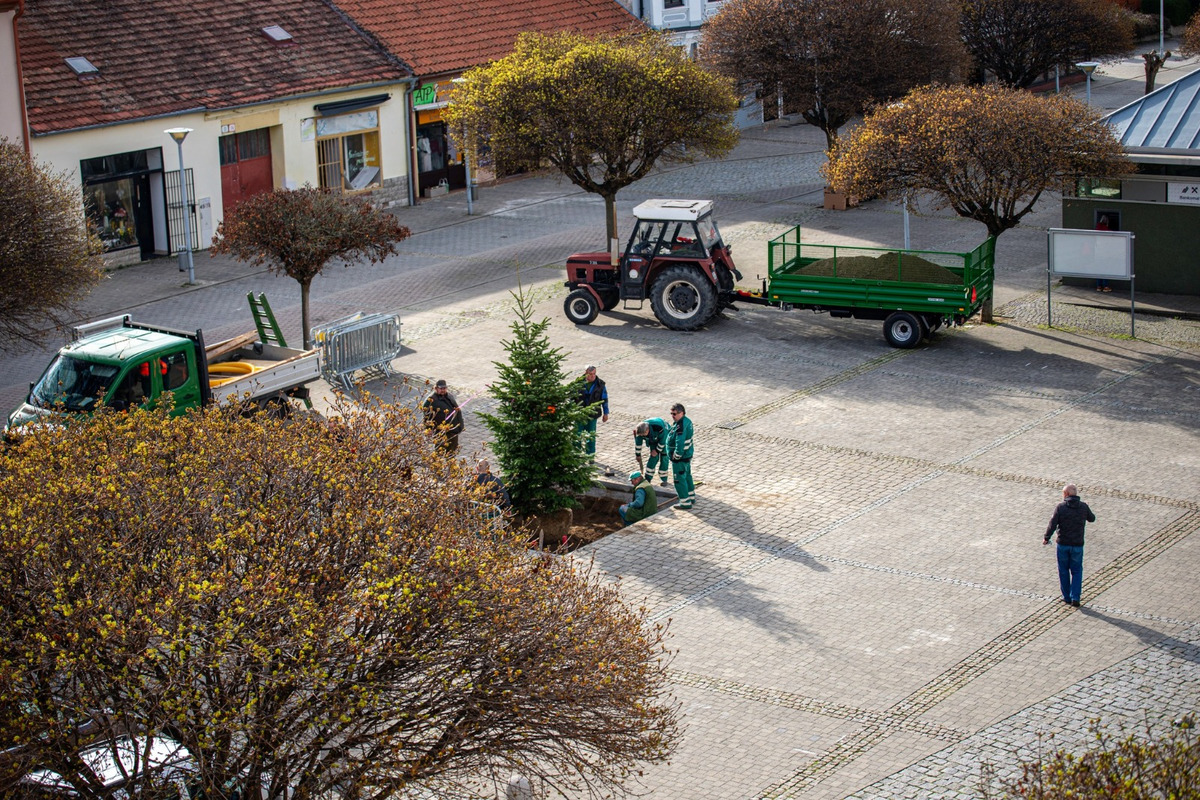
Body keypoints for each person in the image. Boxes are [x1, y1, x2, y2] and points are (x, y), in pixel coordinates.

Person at [1043, 483, 1096, 607]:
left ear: (1066, 494)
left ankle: (1066, 597)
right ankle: (1075, 597)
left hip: (1063, 544)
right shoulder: (1083, 506)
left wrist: (1046, 537)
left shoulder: (1061, 507)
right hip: (1077, 544)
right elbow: (1092, 518)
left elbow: (1052, 524)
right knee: (1077, 571)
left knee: (1063, 570)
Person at [575, 365, 609, 459]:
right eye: (590, 374)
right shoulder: (578, 383)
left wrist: (606, 413)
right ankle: (577, 455)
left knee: (591, 436)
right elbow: (571, 397)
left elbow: (604, 399)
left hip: (593, 415)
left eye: (594, 374)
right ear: (586, 374)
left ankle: (590, 456)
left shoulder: (600, 384)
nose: (593, 376)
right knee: (577, 435)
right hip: (579, 414)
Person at [422, 379, 465, 453]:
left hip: (453, 430)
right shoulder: (431, 400)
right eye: (441, 388)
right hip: (441, 431)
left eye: (444, 388)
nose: (443, 390)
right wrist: (429, 429)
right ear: (436, 388)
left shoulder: (449, 396)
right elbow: (426, 416)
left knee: (452, 453)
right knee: (439, 453)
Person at [666, 402, 694, 509]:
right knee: (687, 476)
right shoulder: (686, 421)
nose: (672, 416)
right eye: (671, 414)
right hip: (687, 456)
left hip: (680, 459)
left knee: (679, 479)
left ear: (681, 413)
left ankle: (685, 502)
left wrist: (676, 456)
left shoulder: (680, 426)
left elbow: (680, 442)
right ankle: (691, 497)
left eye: (674, 414)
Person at [634, 417, 670, 486]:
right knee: (653, 458)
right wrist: (638, 455)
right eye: (641, 435)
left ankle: (664, 479)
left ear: (647, 430)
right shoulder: (641, 431)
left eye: (643, 435)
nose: (642, 436)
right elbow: (638, 443)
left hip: (665, 437)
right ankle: (648, 479)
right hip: (653, 439)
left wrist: (657, 450)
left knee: (664, 458)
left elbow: (663, 441)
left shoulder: (659, 427)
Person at [1095, 214, 1114, 292]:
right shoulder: (1107, 230)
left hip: (1097, 252)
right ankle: (1106, 286)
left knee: (1099, 269)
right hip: (1105, 253)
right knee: (1106, 269)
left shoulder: (1097, 229)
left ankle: (1099, 286)